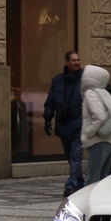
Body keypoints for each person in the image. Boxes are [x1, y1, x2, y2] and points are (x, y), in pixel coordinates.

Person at [43, 51, 85, 197]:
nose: (77, 63)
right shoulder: (57, 81)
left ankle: (71, 185)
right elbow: (51, 100)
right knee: (70, 156)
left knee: (75, 155)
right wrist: (48, 118)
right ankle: (80, 182)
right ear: (66, 62)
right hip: (63, 124)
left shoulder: (85, 79)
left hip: (80, 124)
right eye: (73, 60)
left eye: (78, 60)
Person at [81, 65, 111, 186]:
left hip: (98, 141)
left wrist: (89, 132)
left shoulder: (90, 93)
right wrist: (109, 128)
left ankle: (86, 204)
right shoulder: (105, 93)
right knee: (103, 179)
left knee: (92, 179)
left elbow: (99, 116)